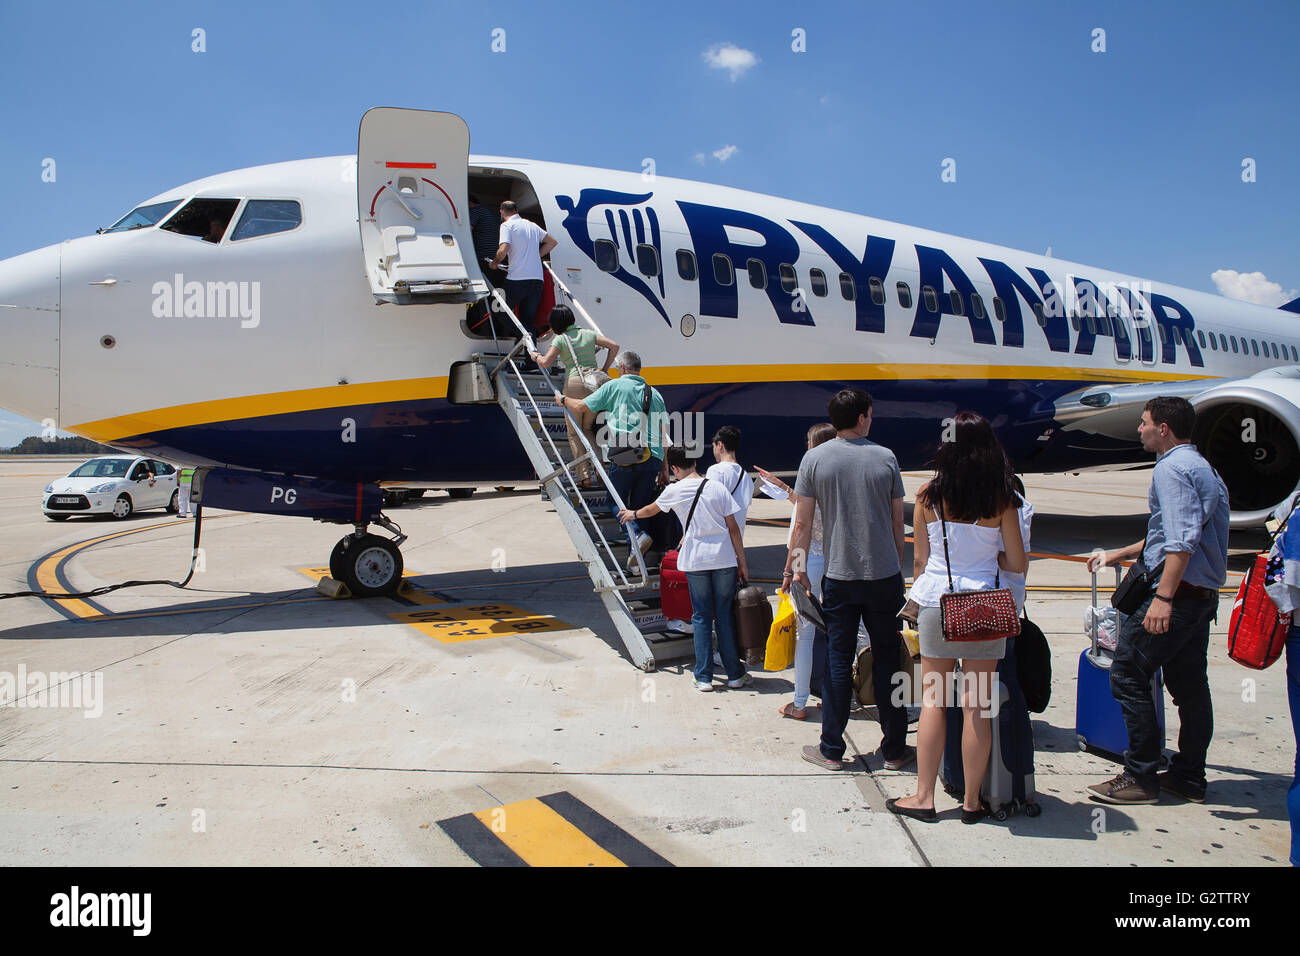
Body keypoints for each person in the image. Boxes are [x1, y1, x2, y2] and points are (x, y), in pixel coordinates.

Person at [1086, 396, 1229, 806]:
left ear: (1163, 428)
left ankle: (1140, 776)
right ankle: (1188, 775)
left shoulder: (1171, 468)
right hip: (1200, 596)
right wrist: (1120, 554)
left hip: (1176, 595)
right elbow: (1168, 532)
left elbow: (1181, 542)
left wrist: (1163, 599)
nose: (1139, 429)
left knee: (1128, 675)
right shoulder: (1204, 468)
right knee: (1189, 687)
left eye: (1144, 423)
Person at [889, 412, 1027, 823]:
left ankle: (924, 797)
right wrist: (990, 556)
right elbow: (1017, 562)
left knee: (933, 700)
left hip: (936, 602)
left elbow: (920, 560)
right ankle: (971, 802)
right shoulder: (1003, 498)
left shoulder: (929, 495)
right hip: (984, 606)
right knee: (977, 706)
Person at [785, 388, 909, 772]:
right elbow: (895, 522)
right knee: (889, 661)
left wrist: (798, 567)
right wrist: (894, 564)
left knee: (838, 661)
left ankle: (832, 749)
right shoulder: (886, 458)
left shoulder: (814, 459)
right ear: (862, 418)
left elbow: (803, 522)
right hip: (883, 575)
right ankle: (894, 751)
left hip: (839, 575)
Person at [621, 445, 749, 691]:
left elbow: (652, 509)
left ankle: (703, 678)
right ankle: (735, 674)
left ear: (675, 468)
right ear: (694, 464)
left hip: (696, 560)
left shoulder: (675, 489)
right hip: (724, 559)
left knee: (701, 617)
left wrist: (632, 514)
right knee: (723, 616)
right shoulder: (716, 487)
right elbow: (733, 528)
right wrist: (742, 562)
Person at [557, 350, 669, 565]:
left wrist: (562, 399)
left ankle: (636, 536)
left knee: (614, 500)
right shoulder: (655, 394)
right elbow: (664, 435)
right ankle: (636, 558)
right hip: (653, 458)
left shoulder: (615, 386)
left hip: (626, 454)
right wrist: (664, 467)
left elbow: (580, 406)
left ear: (623, 368)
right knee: (638, 507)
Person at [757, 422, 836, 719]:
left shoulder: (811, 471)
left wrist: (790, 569)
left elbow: (801, 527)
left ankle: (799, 702)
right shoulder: (838, 476)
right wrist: (786, 489)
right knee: (841, 633)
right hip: (837, 562)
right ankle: (837, 698)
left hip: (810, 561)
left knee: (806, 635)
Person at [530, 306, 619, 488]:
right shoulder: (589, 334)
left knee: (574, 432)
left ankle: (585, 478)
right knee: (587, 429)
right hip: (594, 384)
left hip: (574, 384)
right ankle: (601, 472)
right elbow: (614, 346)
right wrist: (605, 369)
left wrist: (535, 356)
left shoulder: (561, 339)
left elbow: (546, 362)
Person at [488, 201, 557, 341]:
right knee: (527, 320)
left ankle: (522, 336)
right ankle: (531, 359)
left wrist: (494, 263)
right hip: (537, 280)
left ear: (502, 211)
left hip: (517, 279)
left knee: (498, 308)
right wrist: (536, 256)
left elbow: (504, 248)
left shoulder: (507, 225)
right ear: (516, 210)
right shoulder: (532, 225)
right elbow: (551, 242)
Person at [706, 426, 754, 537]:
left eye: (714, 446)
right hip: (736, 541)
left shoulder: (715, 471)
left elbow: (708, 505)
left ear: (720, 445)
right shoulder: (746, 477)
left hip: (718, 540)